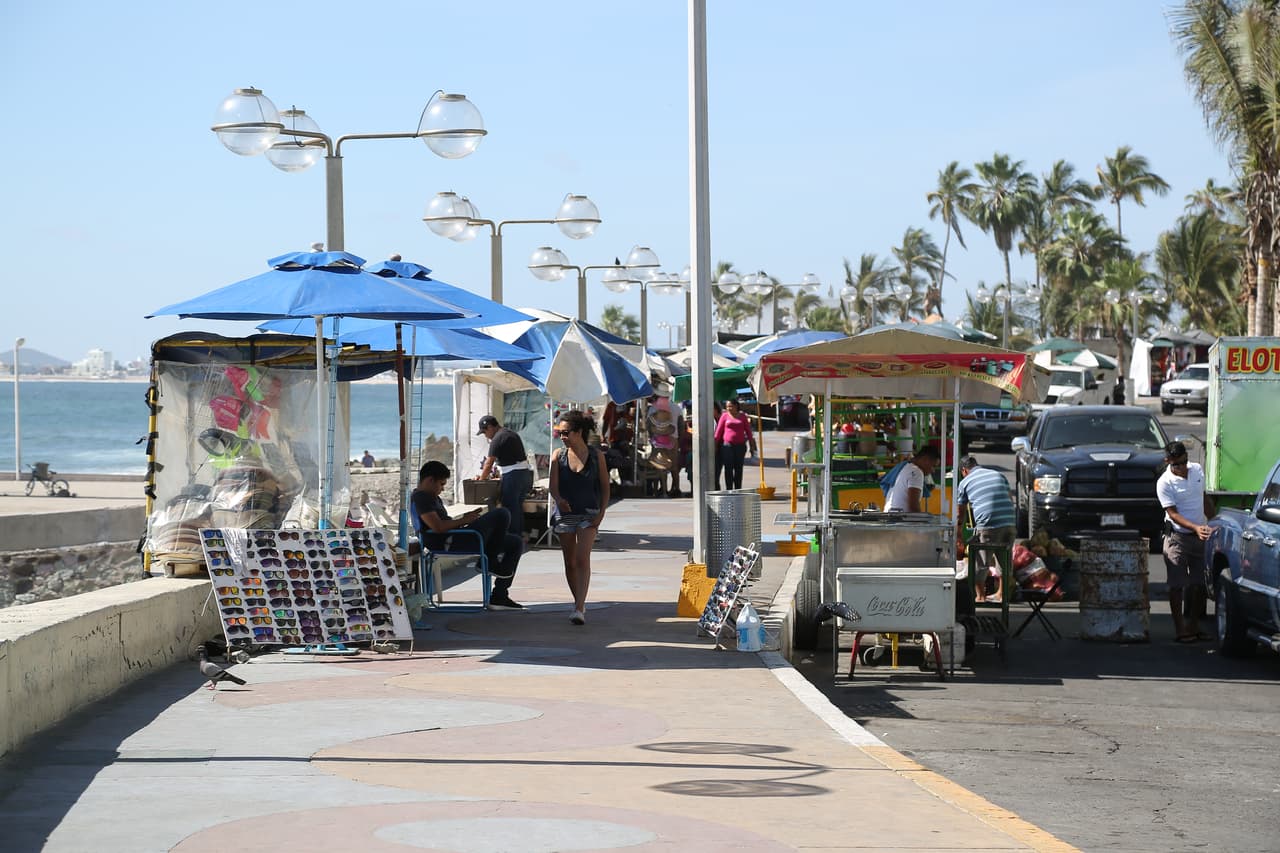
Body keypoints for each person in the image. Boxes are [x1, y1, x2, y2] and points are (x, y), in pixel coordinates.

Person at [411, 460, 523, 610]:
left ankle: (499, 595)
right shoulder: (422, 498)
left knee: (515, 543)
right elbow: (437, 527)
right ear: (430, 480)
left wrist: (465, 521)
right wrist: (464, 520)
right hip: (449, 543)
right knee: (502, 514)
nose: (442, 489)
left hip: (457, 536)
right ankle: (490, 562)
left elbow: (443, 523)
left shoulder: (432, 497)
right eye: (441, 484)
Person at [550, 409, 611, 625]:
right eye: (560, 433)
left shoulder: (597, 457)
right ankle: (579, 602)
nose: (562, 437)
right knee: (569, 562)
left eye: (566, 433)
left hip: (589, 513)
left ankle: (578, 608)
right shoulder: (558, 456)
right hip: (565, 515)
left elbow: (605, 488)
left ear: (579, 432)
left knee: (582, 558)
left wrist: (602, 512)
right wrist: (559, 499)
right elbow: (553, 488)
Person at [1156, 440, 1215, 643]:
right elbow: (1172, 514)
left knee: (1199, 585)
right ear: (1168, 461)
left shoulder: (1197, 470)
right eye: (1176, 465)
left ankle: (1194, 626)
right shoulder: (1164, 482)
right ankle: (1180, 629)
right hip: (1178, 538)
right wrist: (1195, 527)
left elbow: (1203, 498)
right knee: (1177, 585)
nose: (1181, 468)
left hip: (1200, 537)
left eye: (1183, 463)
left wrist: (1213, 519)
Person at [955, 456, 1016, 604]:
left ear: (964, 470)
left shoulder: (965, 482)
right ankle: (1002, 594)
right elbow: (1009, 498)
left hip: (988, 524)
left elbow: (959, 513)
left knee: (981, 561)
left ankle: (980, 596)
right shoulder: (998, 475)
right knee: (1005, 559)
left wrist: (959, 534)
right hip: (1009, 521)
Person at [476, 415, 533, 543]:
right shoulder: (511, 434)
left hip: (513, 476)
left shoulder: (497, 438)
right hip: (524, 473)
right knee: (517, 507)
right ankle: (518, 536)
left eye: (485, 432)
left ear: (490, 427)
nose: (486, 436)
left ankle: (512, 539)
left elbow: (488, 463)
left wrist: (480, 481)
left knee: (509, 508)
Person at [884, 445, 941, 513]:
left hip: (890, 516)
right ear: (925, 459)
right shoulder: (916, 472)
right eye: (933, 466)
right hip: (900, 520)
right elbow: (913, 507)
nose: (933, 471)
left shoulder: (905, 467)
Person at [714, 399, 756, 490]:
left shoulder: (742, 416)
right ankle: (729, 489)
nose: (729, 408)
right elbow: (718, 432)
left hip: (740, 446)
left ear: (736, 406)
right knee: (728, 468)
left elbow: (748, 432)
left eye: (731, 406)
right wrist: (715, 445)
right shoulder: (724, 416)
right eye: (727, 406)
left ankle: (738, 488)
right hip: (727, 446)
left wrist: (752, 445)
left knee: (738, 468)